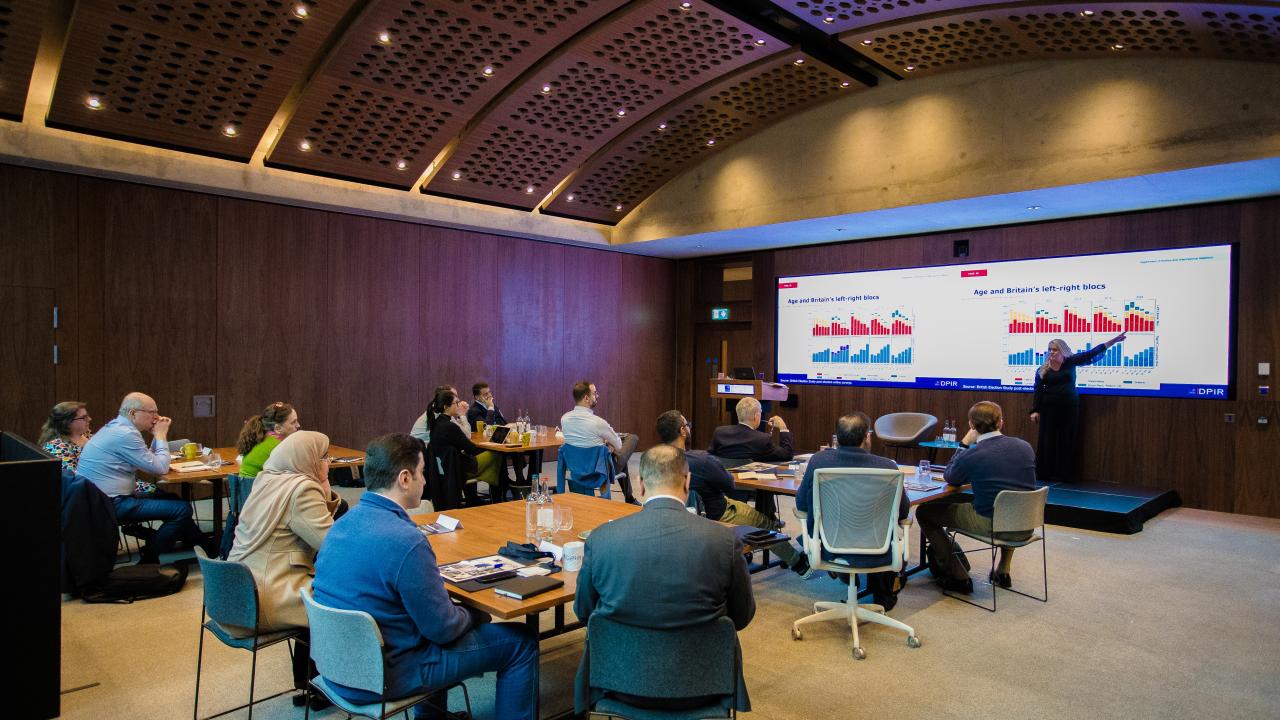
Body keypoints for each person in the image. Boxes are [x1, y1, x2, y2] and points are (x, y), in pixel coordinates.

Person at [313, 433, 538, 720]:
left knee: (418, 621)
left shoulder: (340, 526)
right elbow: (442, 629)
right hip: (390, 673)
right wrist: (474, 614)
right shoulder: (407, 541)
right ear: (404, 478)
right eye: (422, 473)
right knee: (521, 641)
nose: (426, 481)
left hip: (338, 668)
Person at [574, 444, 755, 714]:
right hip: (705, 684)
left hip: (618, 682)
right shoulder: (724, 540)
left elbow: (584, 612)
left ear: (641, 484)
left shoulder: (601, 539)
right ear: (687, 482)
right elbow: (742, 615)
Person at [227, 430, 344, 701]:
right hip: (266, 595)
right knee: (338, 597)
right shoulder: (301, 489)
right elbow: (332, 544)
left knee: (319, 587)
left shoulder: (267, 479)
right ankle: (333, 685)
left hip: (238, 590)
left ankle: (310, 682)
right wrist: (324, 486)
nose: (328, 462)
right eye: (325, 457)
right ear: (308, 459)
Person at [655, 410, 810, 579]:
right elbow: (729, 484)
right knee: (765, 523)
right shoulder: (702, 461)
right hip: (717, 513)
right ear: (683, 431)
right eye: (687, 425)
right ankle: (799, 564)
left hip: (672, 515)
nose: (689, 428)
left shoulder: (652, 461)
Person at [916, 401, 1037, 593]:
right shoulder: (1025, 447)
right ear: (1001, 423)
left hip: (991, 524)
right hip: (1025, 522)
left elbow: (951, 477)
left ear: (971, 426)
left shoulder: (973, 454)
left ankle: (959, 575)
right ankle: (1003, 570)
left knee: (924, 512)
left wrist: (963, 444)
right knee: (1009, 502)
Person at [76, 392, 209, 561]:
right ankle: (151, 554)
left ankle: (202, 544)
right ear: (133, 413)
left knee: (172, 498)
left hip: (97, 499)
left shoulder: (115, 427)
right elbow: (160, 468)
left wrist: (156, 436)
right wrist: (161, 435)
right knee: (182, 509)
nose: (157, 417)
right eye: (152, 412)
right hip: (109, 503)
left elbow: (150, 461)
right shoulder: (125, 434)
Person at [795, 412, 909, 609]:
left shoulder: (819, 461)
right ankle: (883, 596)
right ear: (866, 437)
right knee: (885, 532)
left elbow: (801, 505)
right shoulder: (887, 467)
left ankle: (844, 571)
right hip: (877, 550)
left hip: (828, 547)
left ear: (837, 437)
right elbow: (903, 512)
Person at [1030, 331, 1127, 483]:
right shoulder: (1043, 369)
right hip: (1048, 410)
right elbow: (1038, 390)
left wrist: (1111, 342)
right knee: (1047, 440)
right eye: (1050, 349)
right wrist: (1035, 410)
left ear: (1062, 350)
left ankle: (1065, 474)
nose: (1051, 352)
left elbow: (1090, 354)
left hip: (1069, 408)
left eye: (1054, 349)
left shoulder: (1071, 362)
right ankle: (1046, 473)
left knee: (1067, 439)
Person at [560, 380, 639, 504]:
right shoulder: (598, 422)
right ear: (586, 398)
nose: (597, 396)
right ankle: (629, 498)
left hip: (576, 467)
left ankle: (630, 498)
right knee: (632, 438)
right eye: (595, 393)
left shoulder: (564, 419)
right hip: (599, 470)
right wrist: (608, 444)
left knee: (618, 456)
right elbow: (618, 446)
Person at [428, 388, 502, 505]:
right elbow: (471, 448)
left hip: (448, 467)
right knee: (496, 455)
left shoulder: (436, 423)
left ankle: (482, 496)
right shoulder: (449, 426)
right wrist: (491, 446)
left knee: (490, 455)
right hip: (459, 468)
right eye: (456, 403)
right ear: (446, 407)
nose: (458, 405)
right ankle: (498, 497)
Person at [467, 381, 527, 499]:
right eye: (485, 394)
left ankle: (522, 481)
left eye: (489, 392)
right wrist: (490, 409)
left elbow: (502, 422)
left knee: (518, 448)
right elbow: (486, 427)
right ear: (477, 397)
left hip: (499, 439)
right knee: (502, 452)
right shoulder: (474, 411)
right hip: (484, 446)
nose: (489, 396)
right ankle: (505, 484)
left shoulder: (493, 406)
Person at [708, 397, 793, 462]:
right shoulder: (762, 439)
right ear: (756, 416)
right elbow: (787, 455)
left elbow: (710, 457)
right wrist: (783, 428)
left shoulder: (719, 432)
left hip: (723, 480)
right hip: (751, 483)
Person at [234, 401, 301, 479]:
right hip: (258, 489)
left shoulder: (261, 437)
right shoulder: (279, 447)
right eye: (293, 422)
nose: (298, 425)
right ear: (278, 428)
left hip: (247, 488)